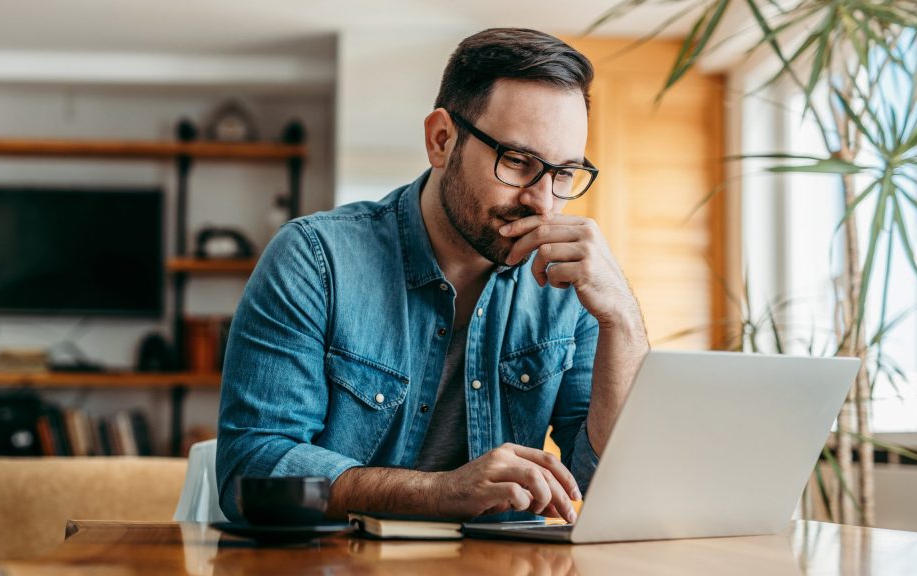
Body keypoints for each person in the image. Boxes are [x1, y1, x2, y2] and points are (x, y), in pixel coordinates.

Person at [217, 28, 648, 525]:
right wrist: (438, 493)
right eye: (517, 161)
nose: (543, 200)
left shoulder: (568, 288)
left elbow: (610, 480)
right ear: (441, 139)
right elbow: (251, 472)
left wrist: (623, 319)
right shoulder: (315, 260)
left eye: (563, 173)